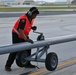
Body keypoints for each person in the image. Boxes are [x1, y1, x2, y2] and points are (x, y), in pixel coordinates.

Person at [5, 7, 39, 71]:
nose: (35, 17)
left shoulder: (30, 18)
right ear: (30, 13)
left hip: (24, 35)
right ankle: (8, 65)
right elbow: (20, 30)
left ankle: (27, 64)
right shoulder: (23, 19)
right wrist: (26, 39)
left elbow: (27, 26)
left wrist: (32, 27)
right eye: (35, 15)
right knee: (15, 49)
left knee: (28, 47)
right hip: (17, 34)